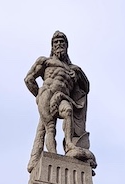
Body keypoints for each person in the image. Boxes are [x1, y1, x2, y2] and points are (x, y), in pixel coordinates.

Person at [25, 31, 96, 173]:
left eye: (62, 42)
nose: (59, 44)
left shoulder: (73, 69)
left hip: (62, 97)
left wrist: (79, 74)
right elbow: (29, 79)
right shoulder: (45, 61)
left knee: (68, 111)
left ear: (66, 46)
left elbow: (86, 88)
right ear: (52, 46)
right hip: (46, 94)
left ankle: (69, 145)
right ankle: (52, 154)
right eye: (56, 42)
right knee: (50, 127)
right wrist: (39, 96)